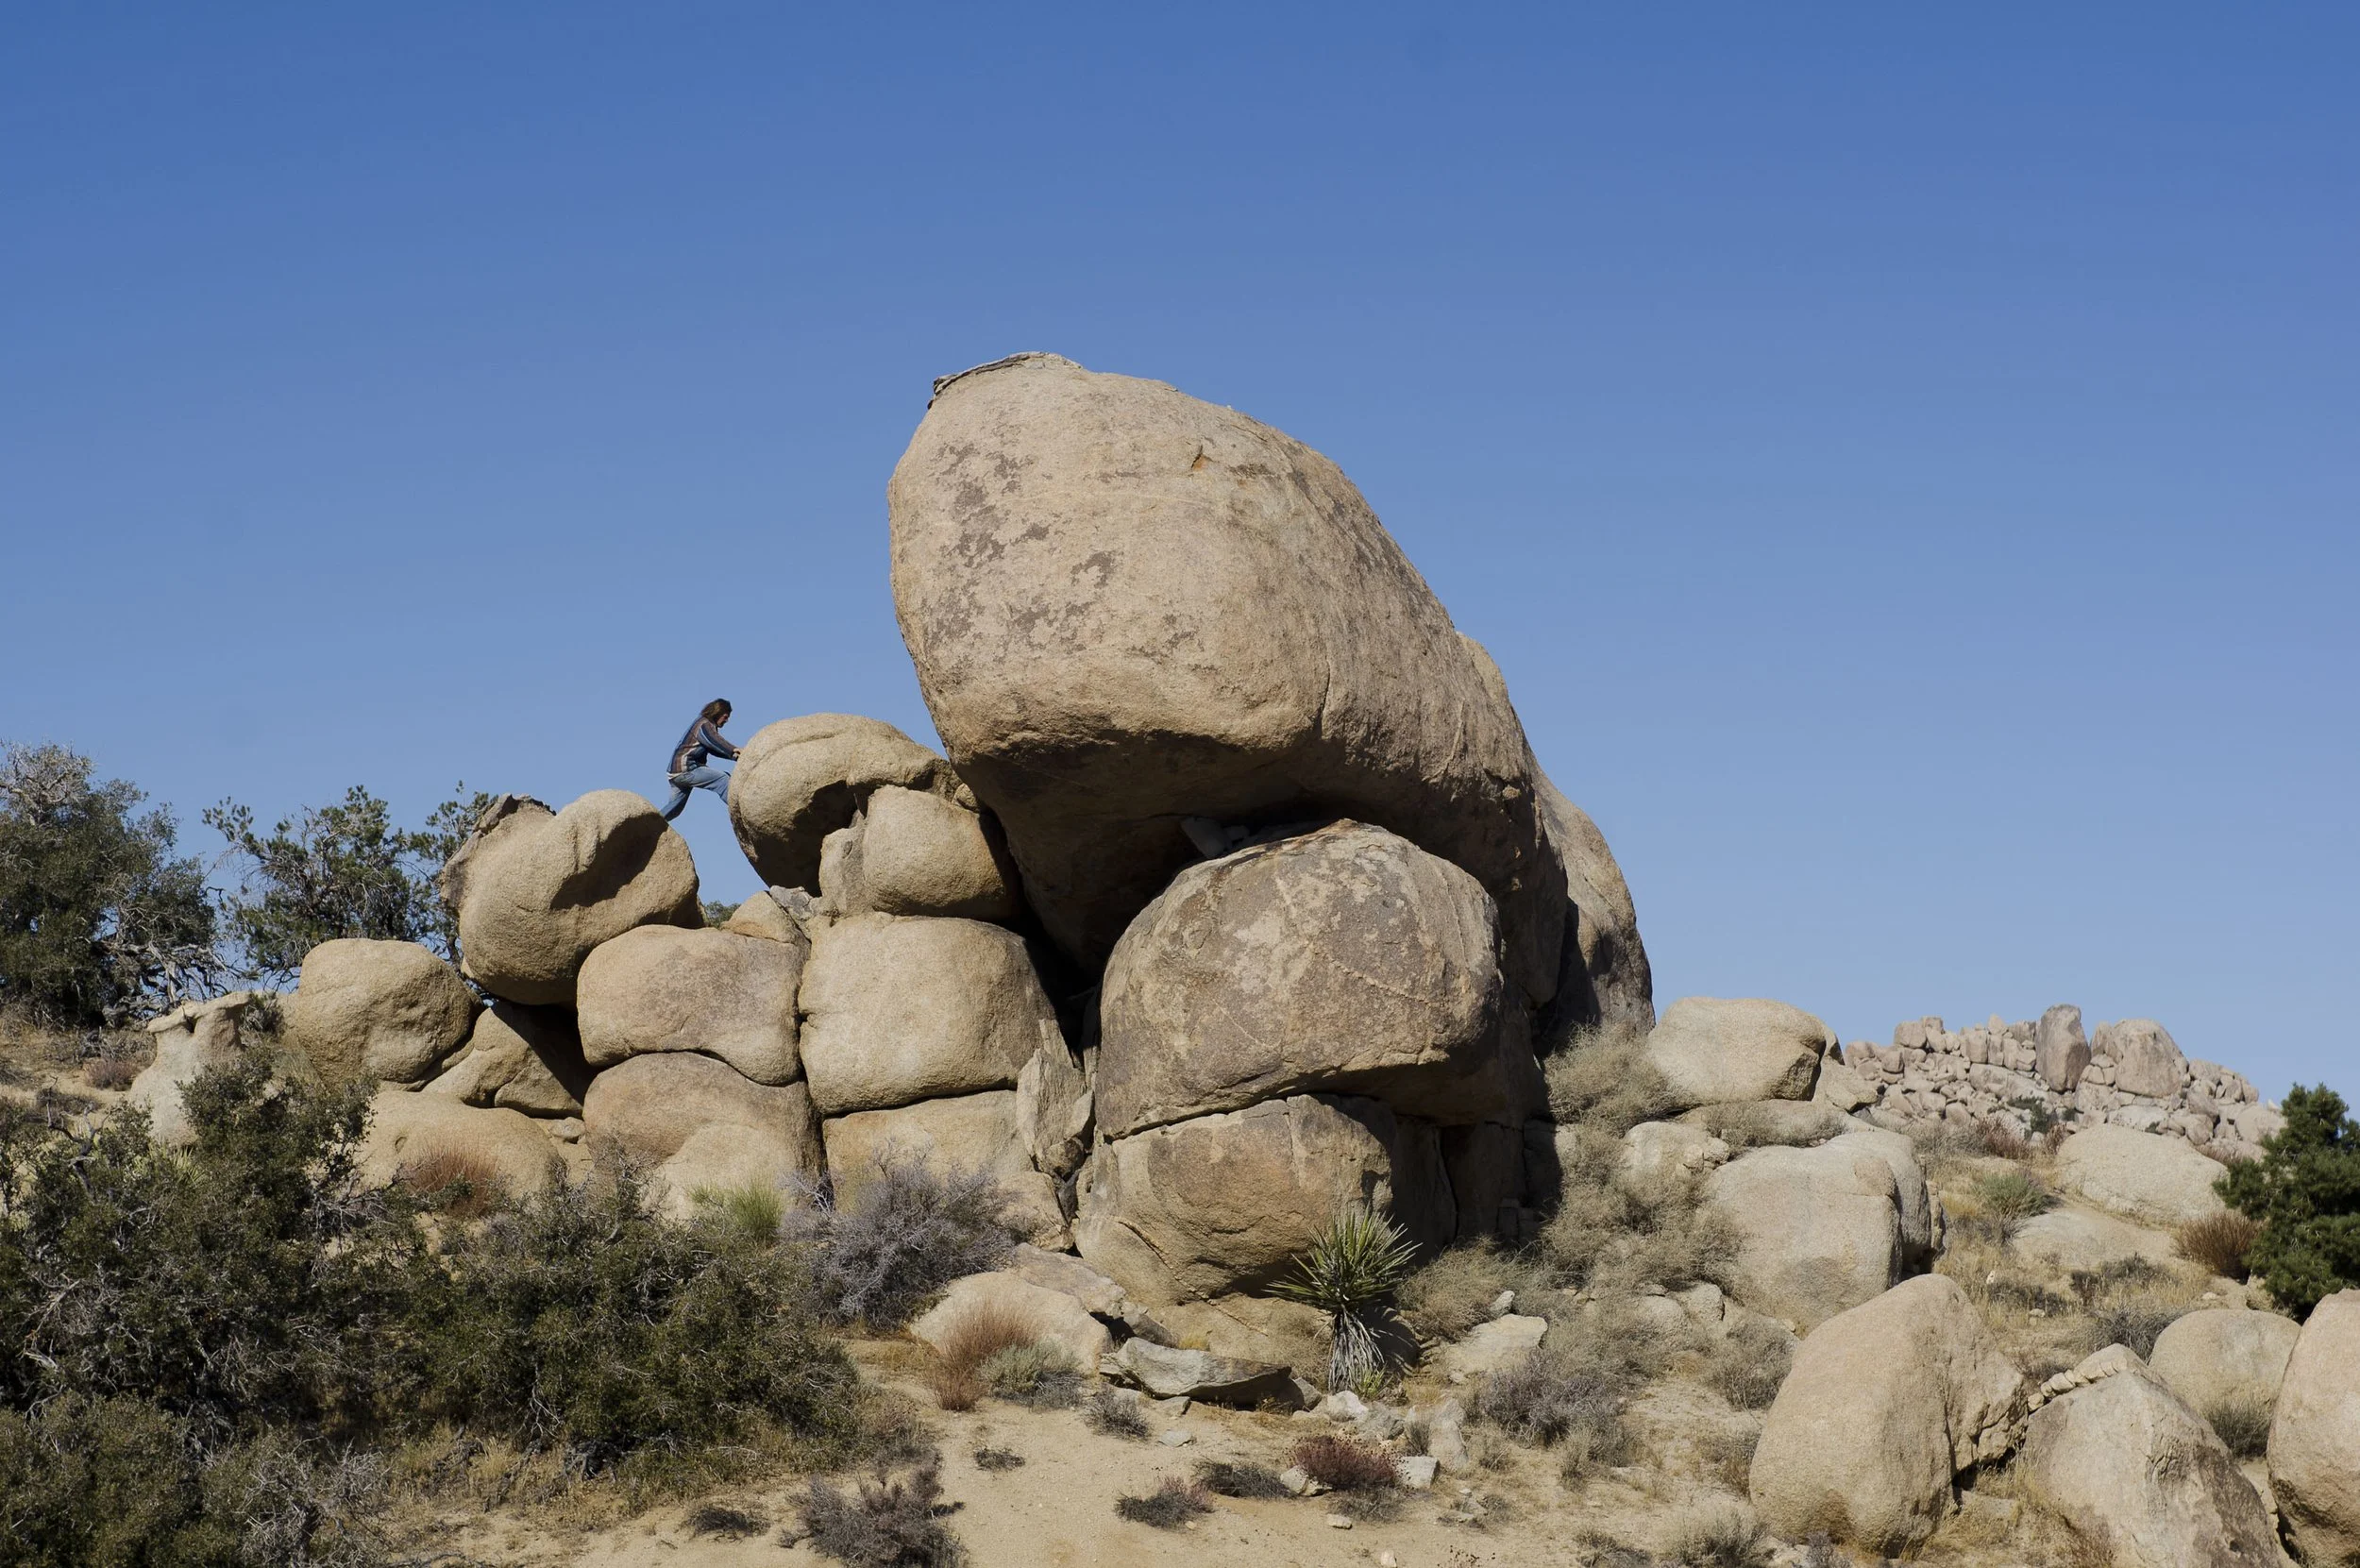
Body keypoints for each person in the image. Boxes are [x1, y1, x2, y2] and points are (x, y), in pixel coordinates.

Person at [659, 699, 739, 820]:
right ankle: (740, 809)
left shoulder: (703, 724)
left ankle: (651, 824)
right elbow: (715, 741)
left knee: (674, 808)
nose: (727, 720)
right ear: (718, 712)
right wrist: (733, 749)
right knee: (723, 779)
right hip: (686, 769)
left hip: (675, 773)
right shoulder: (705, 725)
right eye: (725, 716)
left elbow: (713, 748)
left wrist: (734, 756)